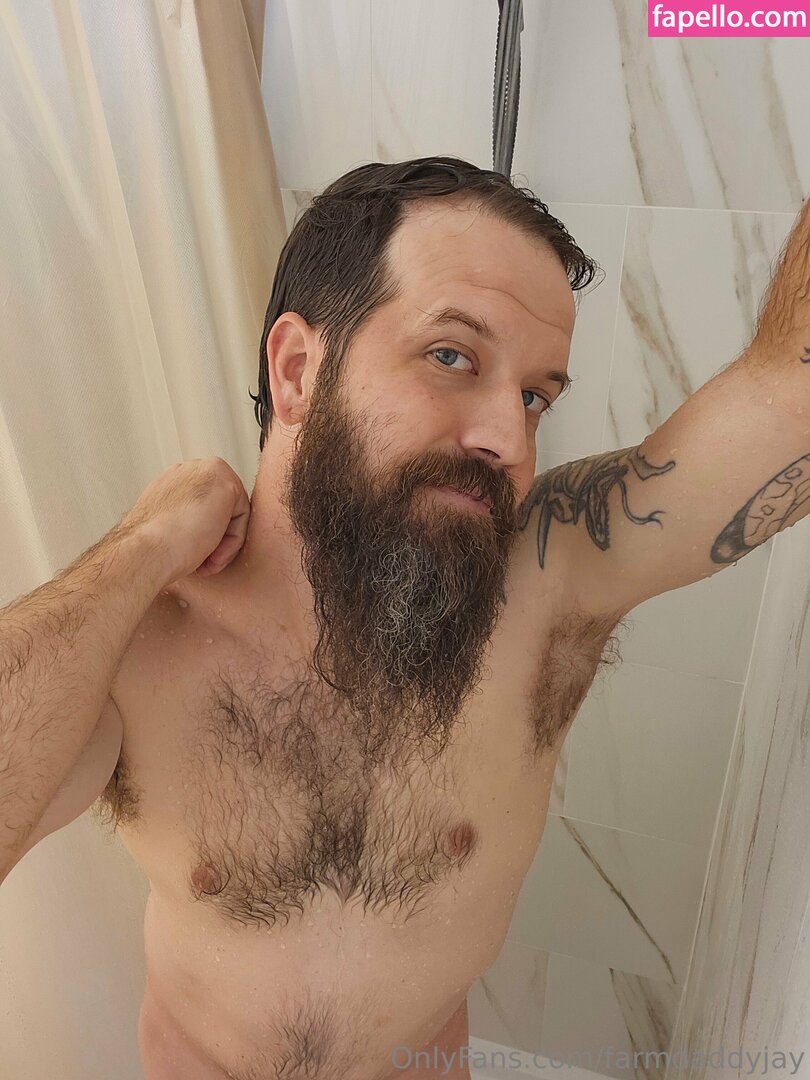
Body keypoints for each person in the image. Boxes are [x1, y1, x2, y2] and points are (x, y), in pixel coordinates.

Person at [2, 156, 809, 1080]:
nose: (508, 438)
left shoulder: (549, 587)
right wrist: (138, 550)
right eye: (451, 356)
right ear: (297, 370)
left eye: (535, 395)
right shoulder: (147, 642)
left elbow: (791, 398)